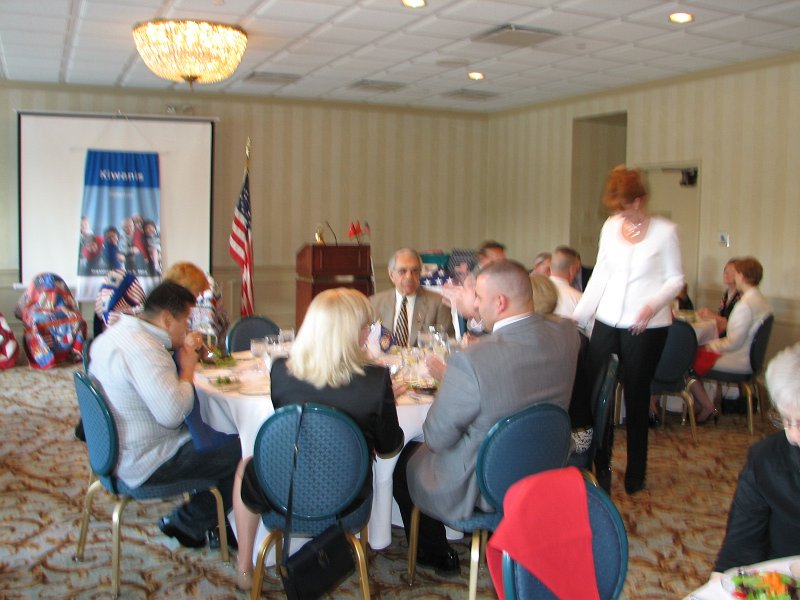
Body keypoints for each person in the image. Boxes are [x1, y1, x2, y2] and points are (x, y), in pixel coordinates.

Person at [393, 259, 580, 575]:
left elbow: (438, 437)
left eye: (478, 297)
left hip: (485, 483)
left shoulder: (473, 360)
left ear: (501, 302)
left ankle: (433, 551)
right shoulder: (567, 335)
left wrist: (451, 378)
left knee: (405, 457)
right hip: (546, 466)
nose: (475, 306)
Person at [234, 288, 404, 590]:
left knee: (247, 465)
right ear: (351, 332)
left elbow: (299, 430)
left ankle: (244, 566)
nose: (369, 333)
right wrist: (384, 402)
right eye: (366, 326)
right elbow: (390, 446)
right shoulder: (376, 382)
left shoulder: (280, 373)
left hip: (282, 495)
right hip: (347, 502)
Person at [87, 282, 245, 552]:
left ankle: (215, 519)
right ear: (167, 319)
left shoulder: (117, 334)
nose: (188, 328)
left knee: (217, 437)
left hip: (114, 452)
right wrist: (186, 369)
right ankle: (189, 521)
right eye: (185, 321)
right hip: (147, 461)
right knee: (246, 451)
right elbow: (173, 414)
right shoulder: (146, 350)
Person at [573, 166, 684, 495]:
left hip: (647, 325)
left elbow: (676, 279)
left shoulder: (665, 232)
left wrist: (652, 305)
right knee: (594, 394)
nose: (621, 215)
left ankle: (636, 471)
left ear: (640, 200)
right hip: (608, 318)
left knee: (636, 397)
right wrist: (578, 317)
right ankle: (597, 464)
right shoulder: (610, 227)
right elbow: (601, 276)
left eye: (626, 207)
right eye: (616, 209)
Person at [713, 342, 800, 572]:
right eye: (785, 420)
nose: (791, 435)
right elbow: (740, 546)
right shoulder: (768, 461)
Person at [688, 257, 772, 423]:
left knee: (687, 360)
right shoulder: (762, 301)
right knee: (695, 354)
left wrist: (711, 345)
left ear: (741, 276)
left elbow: (733, 342)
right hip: (750, 359)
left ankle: (706, 406)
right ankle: (701, 405)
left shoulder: (745, 305)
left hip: (738, 359)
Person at [371, 248, 453, 348]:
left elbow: (447, 343)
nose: (409, 276)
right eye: (402, 271)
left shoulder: (438, 302)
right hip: (384, 362)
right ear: (392, 275)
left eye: (414, 271)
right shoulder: (375, 303)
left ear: (420, 273)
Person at [163, 262, 230, 344]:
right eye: (198, 291)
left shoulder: (205, 300)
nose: (201, 295)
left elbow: (208, 341)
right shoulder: (165, 309)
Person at [697, 258, 740, 336]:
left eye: (731, 272)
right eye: (725, 271)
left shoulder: (741, 297)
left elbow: (732, 324)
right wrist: (708, 314)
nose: (726, 274)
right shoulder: (726, 294)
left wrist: (712, 315)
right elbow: (721, 315)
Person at [549, 245, 583, 318]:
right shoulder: (579, 299)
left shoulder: (533, 290)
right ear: (572, 270)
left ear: (550, 267)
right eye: (577, 270)